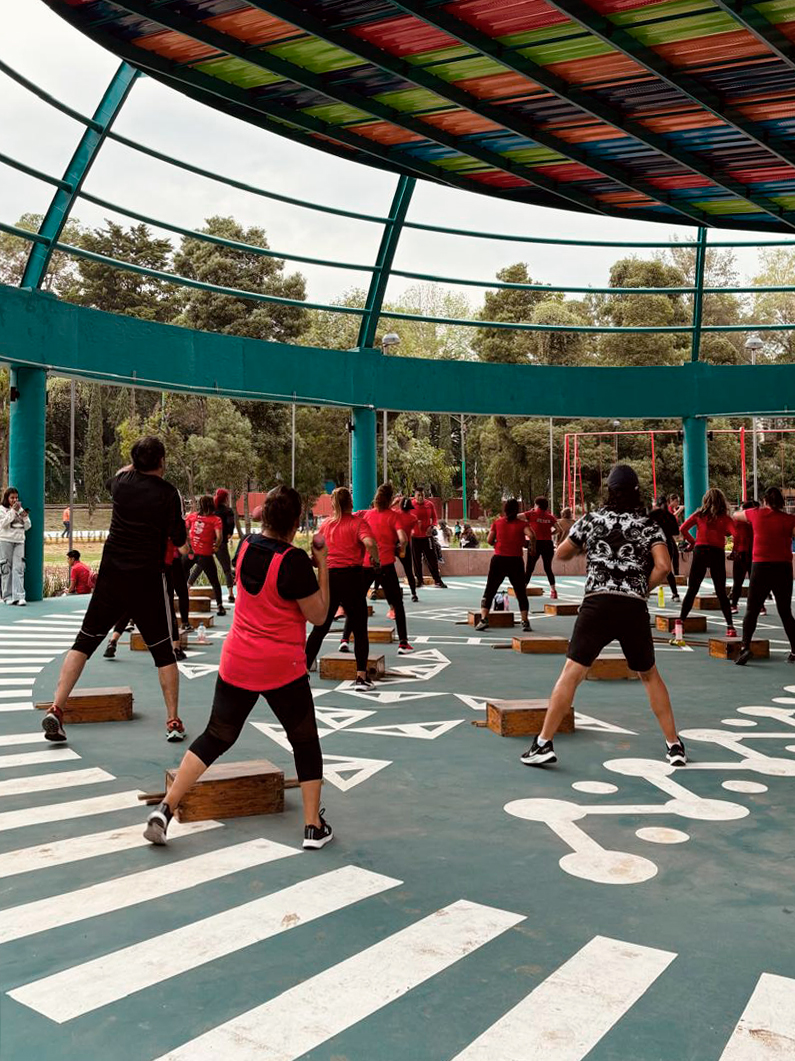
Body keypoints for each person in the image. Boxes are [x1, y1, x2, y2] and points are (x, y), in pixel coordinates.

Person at [144, 485, 333, 850]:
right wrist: (322, 564)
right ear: (296, 523)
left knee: (215, 737)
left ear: (265, 518)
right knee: (305, 741)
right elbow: (319, 614)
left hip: (238, 661)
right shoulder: (295, 561)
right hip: (282, 668)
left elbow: (270, 572)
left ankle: (165, 809)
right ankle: (312, 826)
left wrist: (302, 567)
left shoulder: (245, 546)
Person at [521, 465, 686, 769]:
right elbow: (664, 566)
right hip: (632, 607)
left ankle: (543, 743)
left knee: (572, 673)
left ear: (609, 491)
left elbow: (561, 553)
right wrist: (640, 588)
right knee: (649, 675)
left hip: (597, 604)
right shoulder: (648, 525)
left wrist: (582, 548)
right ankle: (674, 745)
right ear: (636, 492)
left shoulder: (592, 520)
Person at [41, 436, 188, 744]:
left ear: (134, 461)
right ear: (162, 461)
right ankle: (173, 721)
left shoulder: (121, 483)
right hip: (147, 580)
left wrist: (133, 465)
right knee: (164, 652)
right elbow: (180, 540)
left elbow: (121, 473)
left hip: (111, 576)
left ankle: (57, 707)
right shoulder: (168, 493)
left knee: (83, 642)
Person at [305, 487, 379, 689]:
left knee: (320, 628)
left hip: (329, 578)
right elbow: (370, 542)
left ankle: (302, 673)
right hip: (352, 577)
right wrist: (376, 559)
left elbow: (315, 551)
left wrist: (317, 561)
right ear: (351, 503)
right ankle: (361, 677)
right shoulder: (358, 523)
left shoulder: (326, 525)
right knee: (359, 628)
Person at [341, 484, 413, 655]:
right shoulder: (394, 517)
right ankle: (403, 643)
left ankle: (344, 640)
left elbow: (350, 520)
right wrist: (401, 549)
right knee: (397, 604)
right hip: (385, 564)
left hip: (367, 564)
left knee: (356, 601)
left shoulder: (366, 515)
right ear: (390, 499)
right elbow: (403, 539)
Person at [732, 487, 795, 666]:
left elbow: (736, 515)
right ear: (782, 502)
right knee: (785, 612)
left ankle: (745, 647)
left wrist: (753, 510)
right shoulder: (790, 519)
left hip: (761, 566)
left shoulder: (755, 514)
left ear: (765, 501)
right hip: (783, 568)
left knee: (752, 610)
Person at [678, 489, 736, 637]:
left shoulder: (699, 515)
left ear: (705, 500)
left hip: (700, 551)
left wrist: (692, 542)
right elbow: (736, 534)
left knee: (693, 589)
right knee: (721, 591)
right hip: (716, 552)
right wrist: (735, 550)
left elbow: (682, 528)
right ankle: (730, 627)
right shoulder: (725, 518)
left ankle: (680, 623)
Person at [476, 499, 534, 632]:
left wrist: (497, 543)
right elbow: (531, 535)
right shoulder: (522, 524)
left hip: (499, 560)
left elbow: (489, 540)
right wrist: (532, 547)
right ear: (517, 510)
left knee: (490, 590)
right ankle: (525, 621)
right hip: (515, 561)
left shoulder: (497, 522)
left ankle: (484, 619)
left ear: (505, 510)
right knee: (520, 592)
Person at [184, 495, 226, 617]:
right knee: (214, 581)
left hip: (190, 552)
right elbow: (219, 537)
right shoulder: (216, 520)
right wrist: (216, 546)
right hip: (205, 554)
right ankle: (220, 606)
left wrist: (188, 542)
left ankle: (178, 600)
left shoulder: (192, 516)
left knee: (180, 575)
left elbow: (184, 529)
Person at [523, 497, 560, 599]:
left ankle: (522, 590)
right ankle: (553, 591)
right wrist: (550, 533)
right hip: (548, 543)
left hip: (535, 543)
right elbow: (559, 529)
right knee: (548, 568)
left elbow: (517, 516)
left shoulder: (531, 514)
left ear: (537, 505)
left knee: (529, 568)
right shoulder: (550, 517)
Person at [0, 488, 31, 606]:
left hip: (19, 541)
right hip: (5, 540)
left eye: (16, 497)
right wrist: (13, 511)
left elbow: (28, 526)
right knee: (6, 568)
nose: (14, 500)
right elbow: (3, 524)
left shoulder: (21, 509)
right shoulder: (2, 509)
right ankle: (7, 596)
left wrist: (24, 516)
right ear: (7, 498)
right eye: (12, 498)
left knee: (19, 568)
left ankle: (19, 596)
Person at [411, 488, 446, 588]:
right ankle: (419, 580)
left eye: (422, 495)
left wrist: (431, 527)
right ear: (415, 496)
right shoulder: (410, 505)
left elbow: (434, 518)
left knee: (432, 559)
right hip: (415, 537)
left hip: (427, 537)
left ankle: (438, 580)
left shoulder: (429, 504)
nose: (420, 497)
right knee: (416, 560)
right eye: (418, 495)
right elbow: (404, 517)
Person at [649, 495, 681, 603]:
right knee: (668, 569)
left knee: (649, 567)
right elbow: (676, 532)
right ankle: (675, 594)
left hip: (654, 544)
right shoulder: (670, 516)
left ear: (656, 504)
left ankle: (645, 590)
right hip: (668, 543)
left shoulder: (652, 515)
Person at [730, 501, 758, 614]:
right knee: (754, 582)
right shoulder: (756, 521)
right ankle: (760, 607)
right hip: (753, 554)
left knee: (737, 582)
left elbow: (734, 536)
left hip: (740, 554)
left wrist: (733, 551)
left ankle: (734, 605)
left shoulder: (737, 521)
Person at [210, 488, 236, 604]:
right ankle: (231, 594)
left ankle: (188, 587)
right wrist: (228, 534)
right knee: (226, 569)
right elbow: (230, 524)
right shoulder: (228, 511)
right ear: (225, 498)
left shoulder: (211, 509)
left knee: (200, 565)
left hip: (208, 541)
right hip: (221, 543)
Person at [394, 497, 419, 601]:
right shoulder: (413, 518)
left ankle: (375, 589)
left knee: (384, 567)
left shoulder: (395, 513)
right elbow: (414, 531)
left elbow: (384, 510)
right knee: (408, 570)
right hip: (405, 545)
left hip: (393, 543)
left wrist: (394, 502)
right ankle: (414, 594)